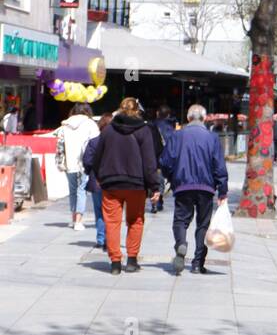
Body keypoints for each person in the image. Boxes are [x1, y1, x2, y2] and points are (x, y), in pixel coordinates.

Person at [88, 97, 160, 273]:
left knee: (112, 222)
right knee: (135, 220)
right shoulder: (144, 131)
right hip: (136, 184)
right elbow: (149, 162)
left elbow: (97, 156)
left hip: (111, 183)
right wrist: (154, 187)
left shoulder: (108, 130)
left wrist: (98, 175)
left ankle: (115, 263)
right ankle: (132, 260)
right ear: (137, 110)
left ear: (119, 109)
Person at [160, 103, 228, 274]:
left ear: (188, 118)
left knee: (180, 220)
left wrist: (171, 177)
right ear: (204, 119)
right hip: (206, 186)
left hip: (183, 185)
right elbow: (219, 166)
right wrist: (223, 190)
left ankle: (181, 244)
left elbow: (165, 162)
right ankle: (198, 263)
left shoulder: (177, 136)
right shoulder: (212, 138)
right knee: (203, 224)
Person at [55, 102, 100, 231]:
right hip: (83, 162)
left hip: (68, 163)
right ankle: (78, 221)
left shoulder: (65, 124)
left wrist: (59, 162)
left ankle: (73, 218)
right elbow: (95, 145)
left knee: (73, 190)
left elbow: (59, 146)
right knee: (81, 190)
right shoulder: (91, 124)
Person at [82, 112, 113, 250]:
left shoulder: (94, 141)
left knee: (99, 211)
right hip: (113, 181)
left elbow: (87, 161)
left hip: (97, 180)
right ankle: (111, 238)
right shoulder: (116, 143)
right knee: (112, 211)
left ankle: (101, 238)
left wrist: (91, 172)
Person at [150, 104, 175, 211]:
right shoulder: (172, 128)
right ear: (168, 115)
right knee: (162, 180)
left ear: (157, 113)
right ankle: (158, 199)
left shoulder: (152, 126)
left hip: (154, 156)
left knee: (156, 179)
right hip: (167, 157)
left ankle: (156, 200)